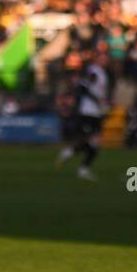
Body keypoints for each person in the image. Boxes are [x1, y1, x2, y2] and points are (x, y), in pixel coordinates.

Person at [56, 50, 110, 179]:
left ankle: (71, 152)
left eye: (105, 58)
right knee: (93, 141)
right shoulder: (94, 71)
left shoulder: (101, 72)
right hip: (88, 111)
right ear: (97, 58)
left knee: (93, 142)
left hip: (96, 112)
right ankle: (82, 168)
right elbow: (84, 86)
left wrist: (103, 100)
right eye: (102, 57)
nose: (105, 60)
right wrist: (97, 99)